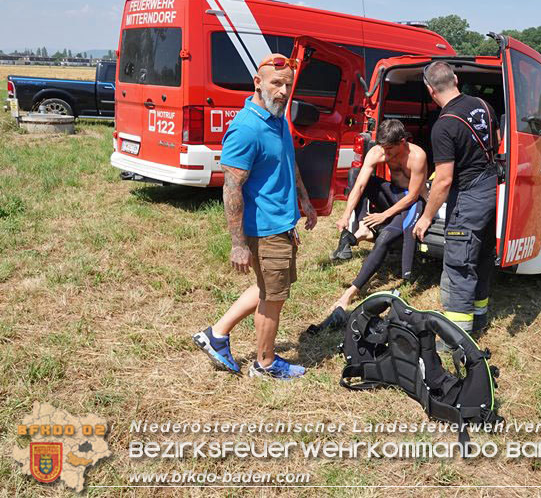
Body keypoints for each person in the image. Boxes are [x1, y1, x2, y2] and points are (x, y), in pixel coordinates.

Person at [193, 54, 317, 379]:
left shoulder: (278, 119)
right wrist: (238, 245)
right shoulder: (246, 129)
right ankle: (265, 364)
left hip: (281, 223)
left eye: (288, 84)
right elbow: (231, 187)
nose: (283, 91)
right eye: (276, 83)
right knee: (274, 298)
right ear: (257, 83)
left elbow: (288, 164)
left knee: (267, 289)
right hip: (264, 229)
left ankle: (216, 334)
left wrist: (304, 203)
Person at [413, 61, 500, 336]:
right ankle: (480, 316)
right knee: (482, 257)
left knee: (459, 266)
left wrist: (426, 217)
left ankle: (457, 336)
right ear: (456, 79)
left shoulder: (444, 126)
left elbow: (444, 179)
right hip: (489, 192)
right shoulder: (483, 106)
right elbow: (496, 144)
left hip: (467, 199)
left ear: (430, 90)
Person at [327, 119, 428, 314]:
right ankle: (363, 228)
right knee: (367, 181)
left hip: (413, 202)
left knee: (385, 238)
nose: (385, 153)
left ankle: (350, 293)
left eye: (390, 149)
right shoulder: (378, 151)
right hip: (395, 194)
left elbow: (414, 196)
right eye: (383, 147)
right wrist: (346, 215)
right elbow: (361, 185)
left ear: (403, 142)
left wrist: (384, 215)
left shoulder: (417, 156)